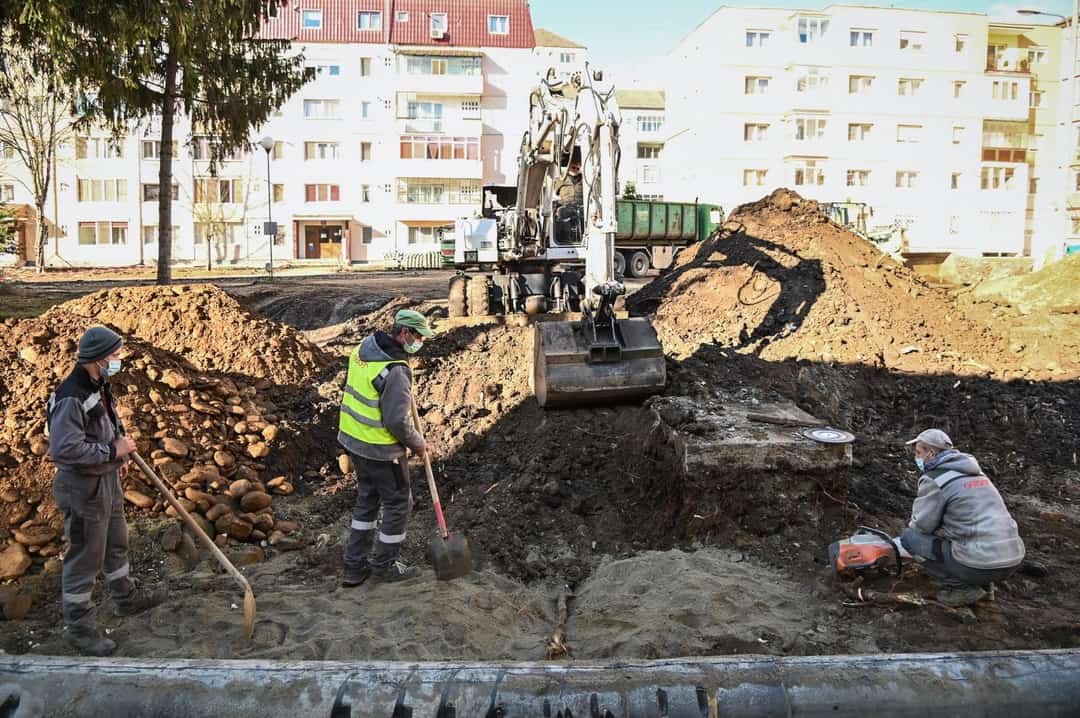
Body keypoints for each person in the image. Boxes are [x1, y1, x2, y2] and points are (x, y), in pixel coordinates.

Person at [47, 326, 167, 656]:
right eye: (115, 355)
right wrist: (112, 452)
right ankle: (80, 629)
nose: (119, 360)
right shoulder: (71, 396)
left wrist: (120, 456)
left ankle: (125, 598)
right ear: (99, 358)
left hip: (107, 479)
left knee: (117, 543)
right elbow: (64, 450)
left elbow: (110, 426)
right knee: (85, 557)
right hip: (82, 488)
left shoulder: (99, 385)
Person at [338, 309, 434, 587]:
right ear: (404, 333)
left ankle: (354, 567)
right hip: (380, 449)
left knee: (367, 500)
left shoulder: (365, 347)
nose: (420, 343)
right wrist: (418, 443)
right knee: (399, 503)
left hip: (354, 439)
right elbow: (396, 421)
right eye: (418, 336)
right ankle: (384, 566)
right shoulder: (396, 371)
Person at [898, 428, 1025, 607]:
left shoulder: (936, 479)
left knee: (909, 538)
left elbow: (921, 526)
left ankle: (960, 588)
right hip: (1012, 559)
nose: (916, 458)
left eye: (919, 453)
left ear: (931, 453)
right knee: (972, 539)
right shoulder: (978, 475)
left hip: (980, 564)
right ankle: (985, 587)